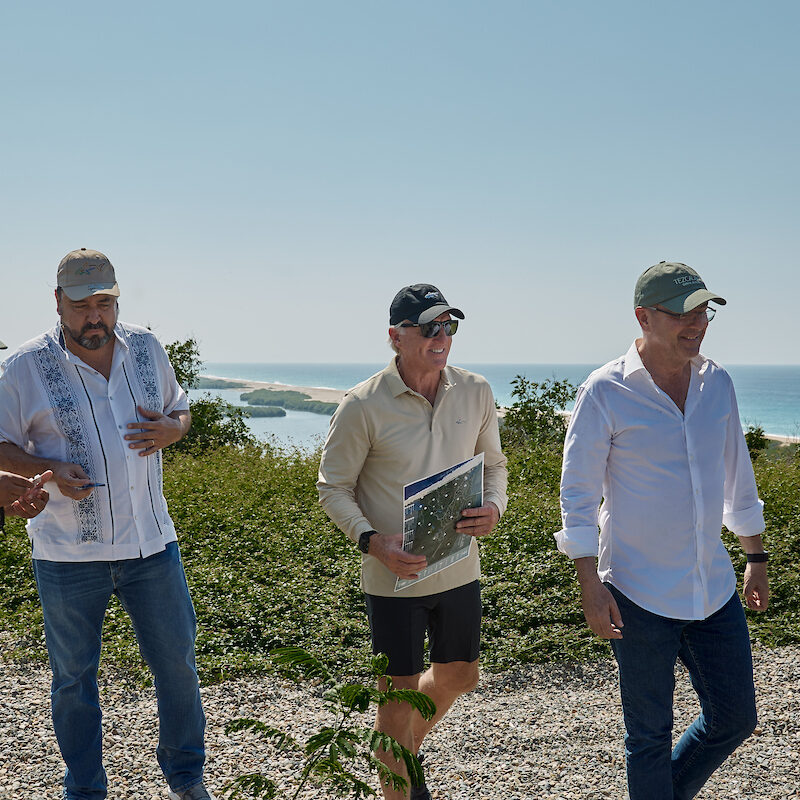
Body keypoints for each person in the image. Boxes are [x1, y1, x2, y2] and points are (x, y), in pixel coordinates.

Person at [0, 249, 214, 800]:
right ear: (57, 302)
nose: (95, 317)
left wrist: (174, 429)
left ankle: (187, 778)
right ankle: (86, 789)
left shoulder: (146, 347)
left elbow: (181, 408)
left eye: (105, 303)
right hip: (68, 555)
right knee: (74, 681)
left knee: (178, 665)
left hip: (152, 544)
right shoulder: (21, 367)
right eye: (82, 306)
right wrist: (39, 470)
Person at [555, 262, 769, 800]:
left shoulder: (716, 381)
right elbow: (577, 497)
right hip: (636, 592)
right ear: (644, 317)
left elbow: (736, 474)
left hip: (712, 587)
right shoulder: (604, 392)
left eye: (704, 310)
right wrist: (589, 584)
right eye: (683, 312)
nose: (697, 323)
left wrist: (755, 555)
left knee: (735, 718)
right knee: (648, 738)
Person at [317, 284, 508, 800]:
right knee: (396, 700)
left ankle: (399, 750)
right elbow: (332, 488)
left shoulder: (477, 390)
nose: (440, 337)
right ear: (394, 337)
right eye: (428, 327)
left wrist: (495, 508)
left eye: (448, 326)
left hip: (459, 569)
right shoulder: (362, 405)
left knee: (461, 677)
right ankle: (397, 771)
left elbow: (493, 465)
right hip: (392, 579)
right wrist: (374, 542)